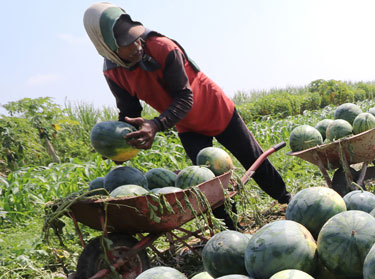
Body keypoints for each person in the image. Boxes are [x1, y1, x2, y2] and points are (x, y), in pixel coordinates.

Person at [83, 3, 290, 227]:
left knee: (252, 157)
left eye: (136, 37)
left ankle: (286, 199)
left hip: (215, 108)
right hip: (186, 125)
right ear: (108, 47)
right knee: (207, 180)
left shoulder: (163, 47)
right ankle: (232, 227)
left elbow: (184, 98)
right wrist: (117, 144)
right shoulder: (113, 72)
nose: (136, 45)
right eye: (126, 43)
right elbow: (129, 112)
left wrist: (156, 124)